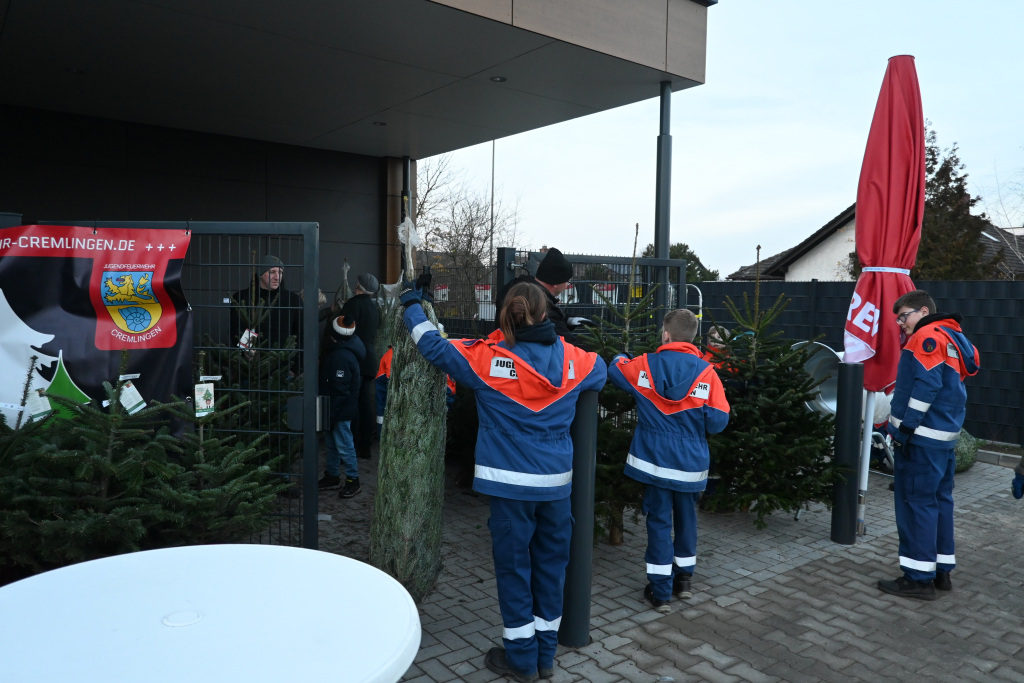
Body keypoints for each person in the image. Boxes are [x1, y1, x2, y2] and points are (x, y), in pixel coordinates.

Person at [401, 278, 607, 683]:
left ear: (505, 316)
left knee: (514, 570)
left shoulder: (486, 357)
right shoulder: (576, 361)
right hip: (556, 487)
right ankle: (545, 656)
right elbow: (602, 371)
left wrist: (411, 305)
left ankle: (522, 660)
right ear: (545, 314)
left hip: (509, 486)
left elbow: (432, 345)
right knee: (551, 568)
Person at [608, 309, 730, 613]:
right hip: (690, 465)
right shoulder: (708, 373)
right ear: (694, 338)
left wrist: (621, 356)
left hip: (654, 462)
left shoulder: (644, 364)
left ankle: (660, 592)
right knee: (687, 519)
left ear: (665, 334)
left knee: (659, 522)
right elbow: (717, 422)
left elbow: (616, 371)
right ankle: (683, 582)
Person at [878, 290, 979, 600]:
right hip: (943, 440)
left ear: (923, 311)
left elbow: (927, 387)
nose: (900, 323)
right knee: (939, 503)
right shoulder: (953, 338)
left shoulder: (925, 337)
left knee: (915, 505)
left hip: (920, 440)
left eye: (903, 316)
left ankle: (918, 579)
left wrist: (906, 428)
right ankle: (940, 571)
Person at [317, 315, 366, 499]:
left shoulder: (341, 357)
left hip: (339, 410)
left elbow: (340, 390)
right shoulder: (344, 352)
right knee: (333, 444)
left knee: (344, 445)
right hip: (336, 408)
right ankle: (332, 476)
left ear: (333, 334)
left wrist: (332, 413)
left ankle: (353, 480)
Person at [496, 247, 583, 347]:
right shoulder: (541, 305)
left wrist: (567, 320)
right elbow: (567, 344)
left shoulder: (514, 290)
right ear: (556, 283)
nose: (567, 285)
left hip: (502, 350)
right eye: (567, 281)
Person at [340, 272, 381, 460]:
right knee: (364, 402)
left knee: (352, 402)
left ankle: (351, 447)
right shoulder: (374, 308)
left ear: (358, 286)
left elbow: (344, 330)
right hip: (369, 359)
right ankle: (365, 447)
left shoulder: (352, 304)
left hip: (353, 358)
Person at [229, 254, 303, 353]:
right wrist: (247, 351)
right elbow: (237, 329)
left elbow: (300, 334)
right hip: (252, 359)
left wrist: (292, 358)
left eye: (280, 272)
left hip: (284, 360)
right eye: (272, 272)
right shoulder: (242, 298)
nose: (277, 277)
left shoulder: (293, 300)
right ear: (260, 274)